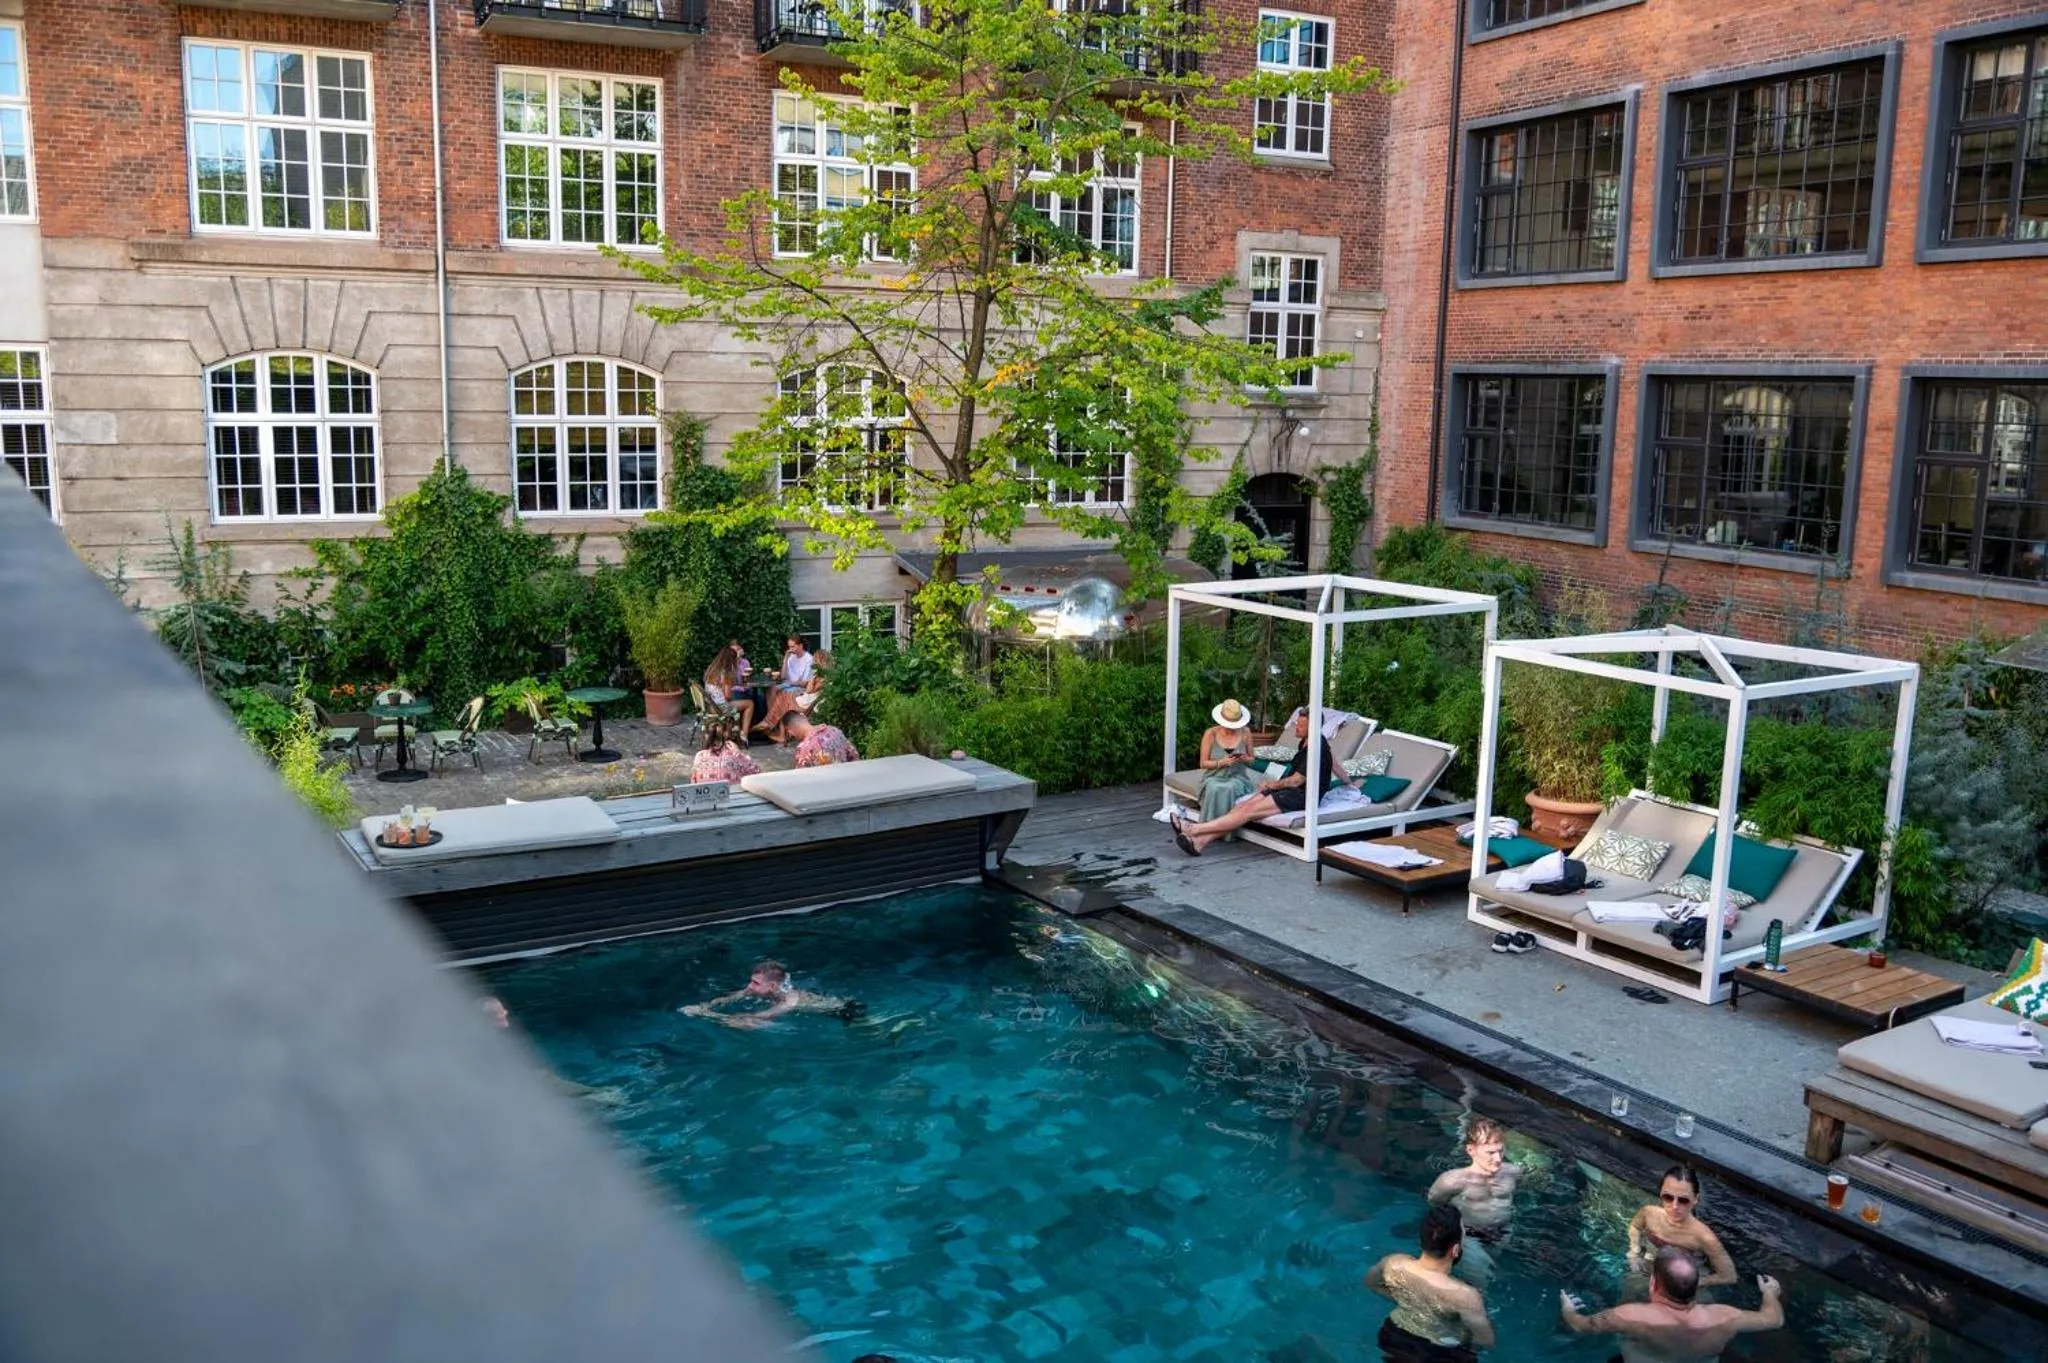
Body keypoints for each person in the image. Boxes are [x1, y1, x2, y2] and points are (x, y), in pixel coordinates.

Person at [1561, 1249, 1783, 1361]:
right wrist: (1770, 1293)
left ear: (1653, 1283)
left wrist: (1568, 1307)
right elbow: (1774, 1320)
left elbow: (1581, 1325)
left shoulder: (1630, 1316)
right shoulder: (1726, 1317)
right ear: (1697, 1286)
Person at [1170, 708, 1333, 855]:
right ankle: (1199, 842)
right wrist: (1348, 781)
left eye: (1301, 725)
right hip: (1286, 789)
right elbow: (1335, 763)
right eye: (1297, 723)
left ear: (1313, 728)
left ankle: (1193, 828)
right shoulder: (1306, 742)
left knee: (1248, 812)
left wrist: (1271, 784)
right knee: (1242, 807)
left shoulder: (1317, 748)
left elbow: (1297, 780)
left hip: (1300, 795)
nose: (1296, 727)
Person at [1365, 1204, 1495, 1363]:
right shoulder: (1464, 1295)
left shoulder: (1393, 1263)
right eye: (1463, 1236)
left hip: (1393, 1337)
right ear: (1455, 1250)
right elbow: (1485, 1341)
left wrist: (1404, 1298)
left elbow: (1371, 1284)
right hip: (1438, 1352)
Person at [1426, 1117, 1522, 1285]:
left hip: (1503, 1232)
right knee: (1481, 1282)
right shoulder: (1452, 1181)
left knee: (1493, 1275)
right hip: (1469, 1236)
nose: (1498, 1158)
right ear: (1471, 1150)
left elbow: (1532, 1189)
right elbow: (1435, 1204)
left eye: (1501, 1151)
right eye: (1490, 1153)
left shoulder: (1513, 1173)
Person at [1627, 1165, 1738, 1288]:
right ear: (1660, 1194)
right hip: (1649, 1269)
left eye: (1683, 1200)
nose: (1674, 1206)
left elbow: (1729, 1276)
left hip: (1684, 1285)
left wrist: (1694, 1284)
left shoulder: (1704, 1237)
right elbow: (1635, 1227)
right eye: (1668, 1197)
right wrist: (1634, 1252)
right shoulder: (1649, 1213)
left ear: (1696, 1199)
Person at [680, 959, 851, 1029]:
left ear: (772, 985)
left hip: (844, 1012)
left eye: (755, 983)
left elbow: (753, 1021)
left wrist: (705, 1014)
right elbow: (729, 997)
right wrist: (705, 1005)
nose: (750, 986)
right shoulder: (760, 989)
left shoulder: (790, 1002)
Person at [1195, 697, 1260, 824]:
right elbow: (1203, 763)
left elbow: (1252, 761)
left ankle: (1224, 828)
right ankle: (1209, 825)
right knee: (1215, 787)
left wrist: (1245, 758)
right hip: (1214, 776)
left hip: (1238, 777)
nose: (1231, 728)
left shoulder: (1246, 732)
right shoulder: (1211, 733)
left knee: (1230, 788)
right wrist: (1221, 762)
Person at [756, 633, 818, 741]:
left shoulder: (808, 659)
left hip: (800, 688)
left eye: (793, 646)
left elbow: (804, 683)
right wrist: (785, 658)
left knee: (782, 693)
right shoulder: (791, 657)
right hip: (789, 684)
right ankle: (774, 722)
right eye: (789, 647)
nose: (790, 649)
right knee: (771, 690)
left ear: (801, 645)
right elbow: (783, 676)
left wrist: (790, 683)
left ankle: (773, 724)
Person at [703, 645, 757, 740]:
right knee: (750, 704)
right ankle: (744, 736)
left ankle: (735, 731)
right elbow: (727, 696)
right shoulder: (726, 672)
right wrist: (732, 698)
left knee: (739, 701)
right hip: (720, 707)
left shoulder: (712, 669)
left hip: (710, 705)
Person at [691, 715, 762, 783]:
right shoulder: (734, 753)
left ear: (706, 735)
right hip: (731, 793)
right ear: (725, 733)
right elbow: (756, 771)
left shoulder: (700, 755)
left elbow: (694, 780)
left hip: (706, 794)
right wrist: (739, 752)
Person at [784, 710, 860, 766]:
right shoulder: (834, 730)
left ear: (790, 731)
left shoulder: (804, 750)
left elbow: (803, 778)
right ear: (804, 717)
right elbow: (854, 755)